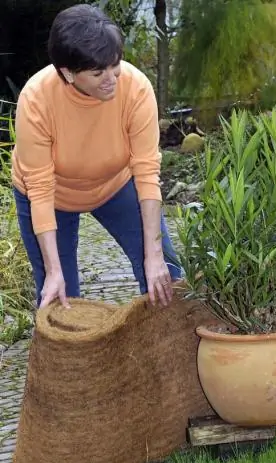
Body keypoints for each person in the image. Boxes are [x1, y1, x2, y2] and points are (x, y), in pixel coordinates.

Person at [11, 4, 181, 310]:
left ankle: (170, 351)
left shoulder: (136, 88)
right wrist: (53, 272)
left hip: (115, 185)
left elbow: (146, 172)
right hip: (51, 197)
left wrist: (154, 256)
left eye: (114, 65)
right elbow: (39, 188)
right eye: (97, 72)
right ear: (68, 73)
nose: (112, 79)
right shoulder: (36, 99)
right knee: (62, 299)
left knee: (166, 274)